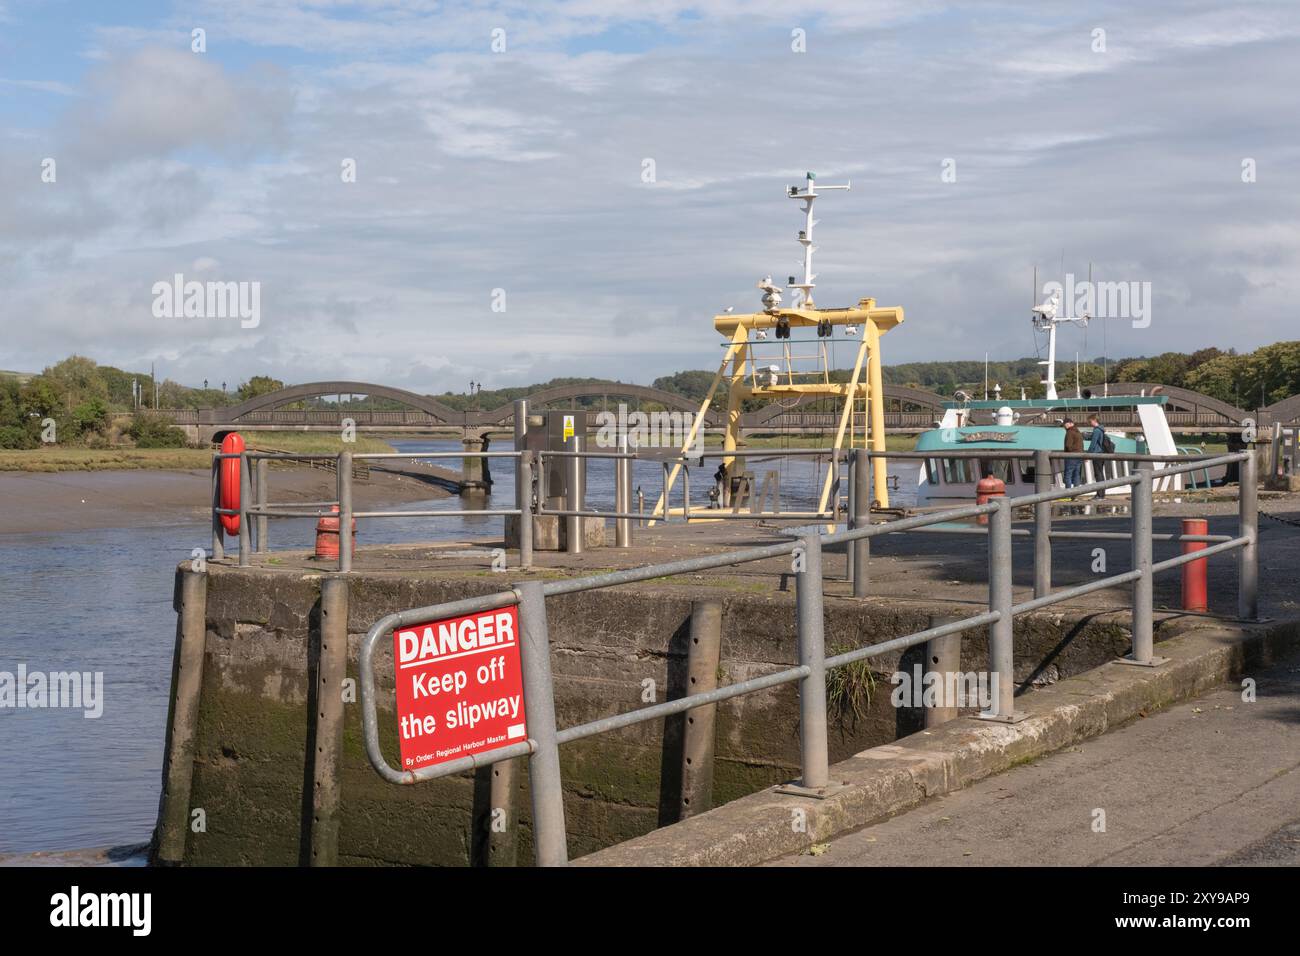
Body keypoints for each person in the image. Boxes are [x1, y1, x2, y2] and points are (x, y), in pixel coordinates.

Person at [1062, 418, 1084, 489]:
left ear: (1070, 423)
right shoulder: (1078, 432)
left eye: (1065, 424)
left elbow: (1068, 445)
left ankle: (1067, 494)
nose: (1064, 426)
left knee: (1068, 475)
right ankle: (1075, 495)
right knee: (1076, 475)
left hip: (1071, 456)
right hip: (1079, 456)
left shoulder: (1070, 432)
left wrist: (1069, 452)